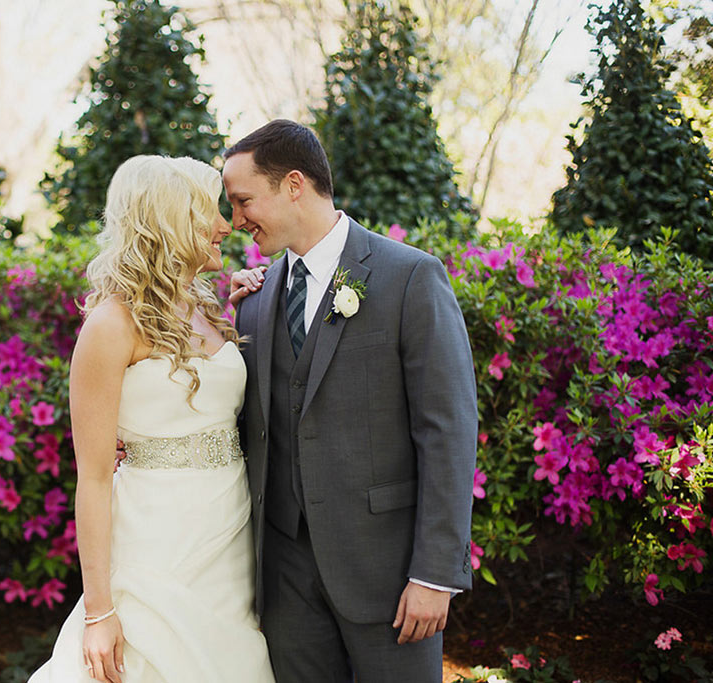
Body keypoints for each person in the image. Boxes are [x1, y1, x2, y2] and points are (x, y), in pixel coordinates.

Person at [224, 119, 477, 682]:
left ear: (293, 185)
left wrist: (435, 574)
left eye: (243, 200)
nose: (235, 219)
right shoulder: (256, 300)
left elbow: (448, 430)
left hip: (388, 574)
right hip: (285, 577)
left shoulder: (410, 277)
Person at [28, 155, 275, 683]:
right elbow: (92, 479)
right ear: (173, 220)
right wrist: (99, 611)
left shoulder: (210, 308)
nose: (227, 226)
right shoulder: (110, 324)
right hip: (154, 541)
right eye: (212, 212)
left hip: (230, 532)